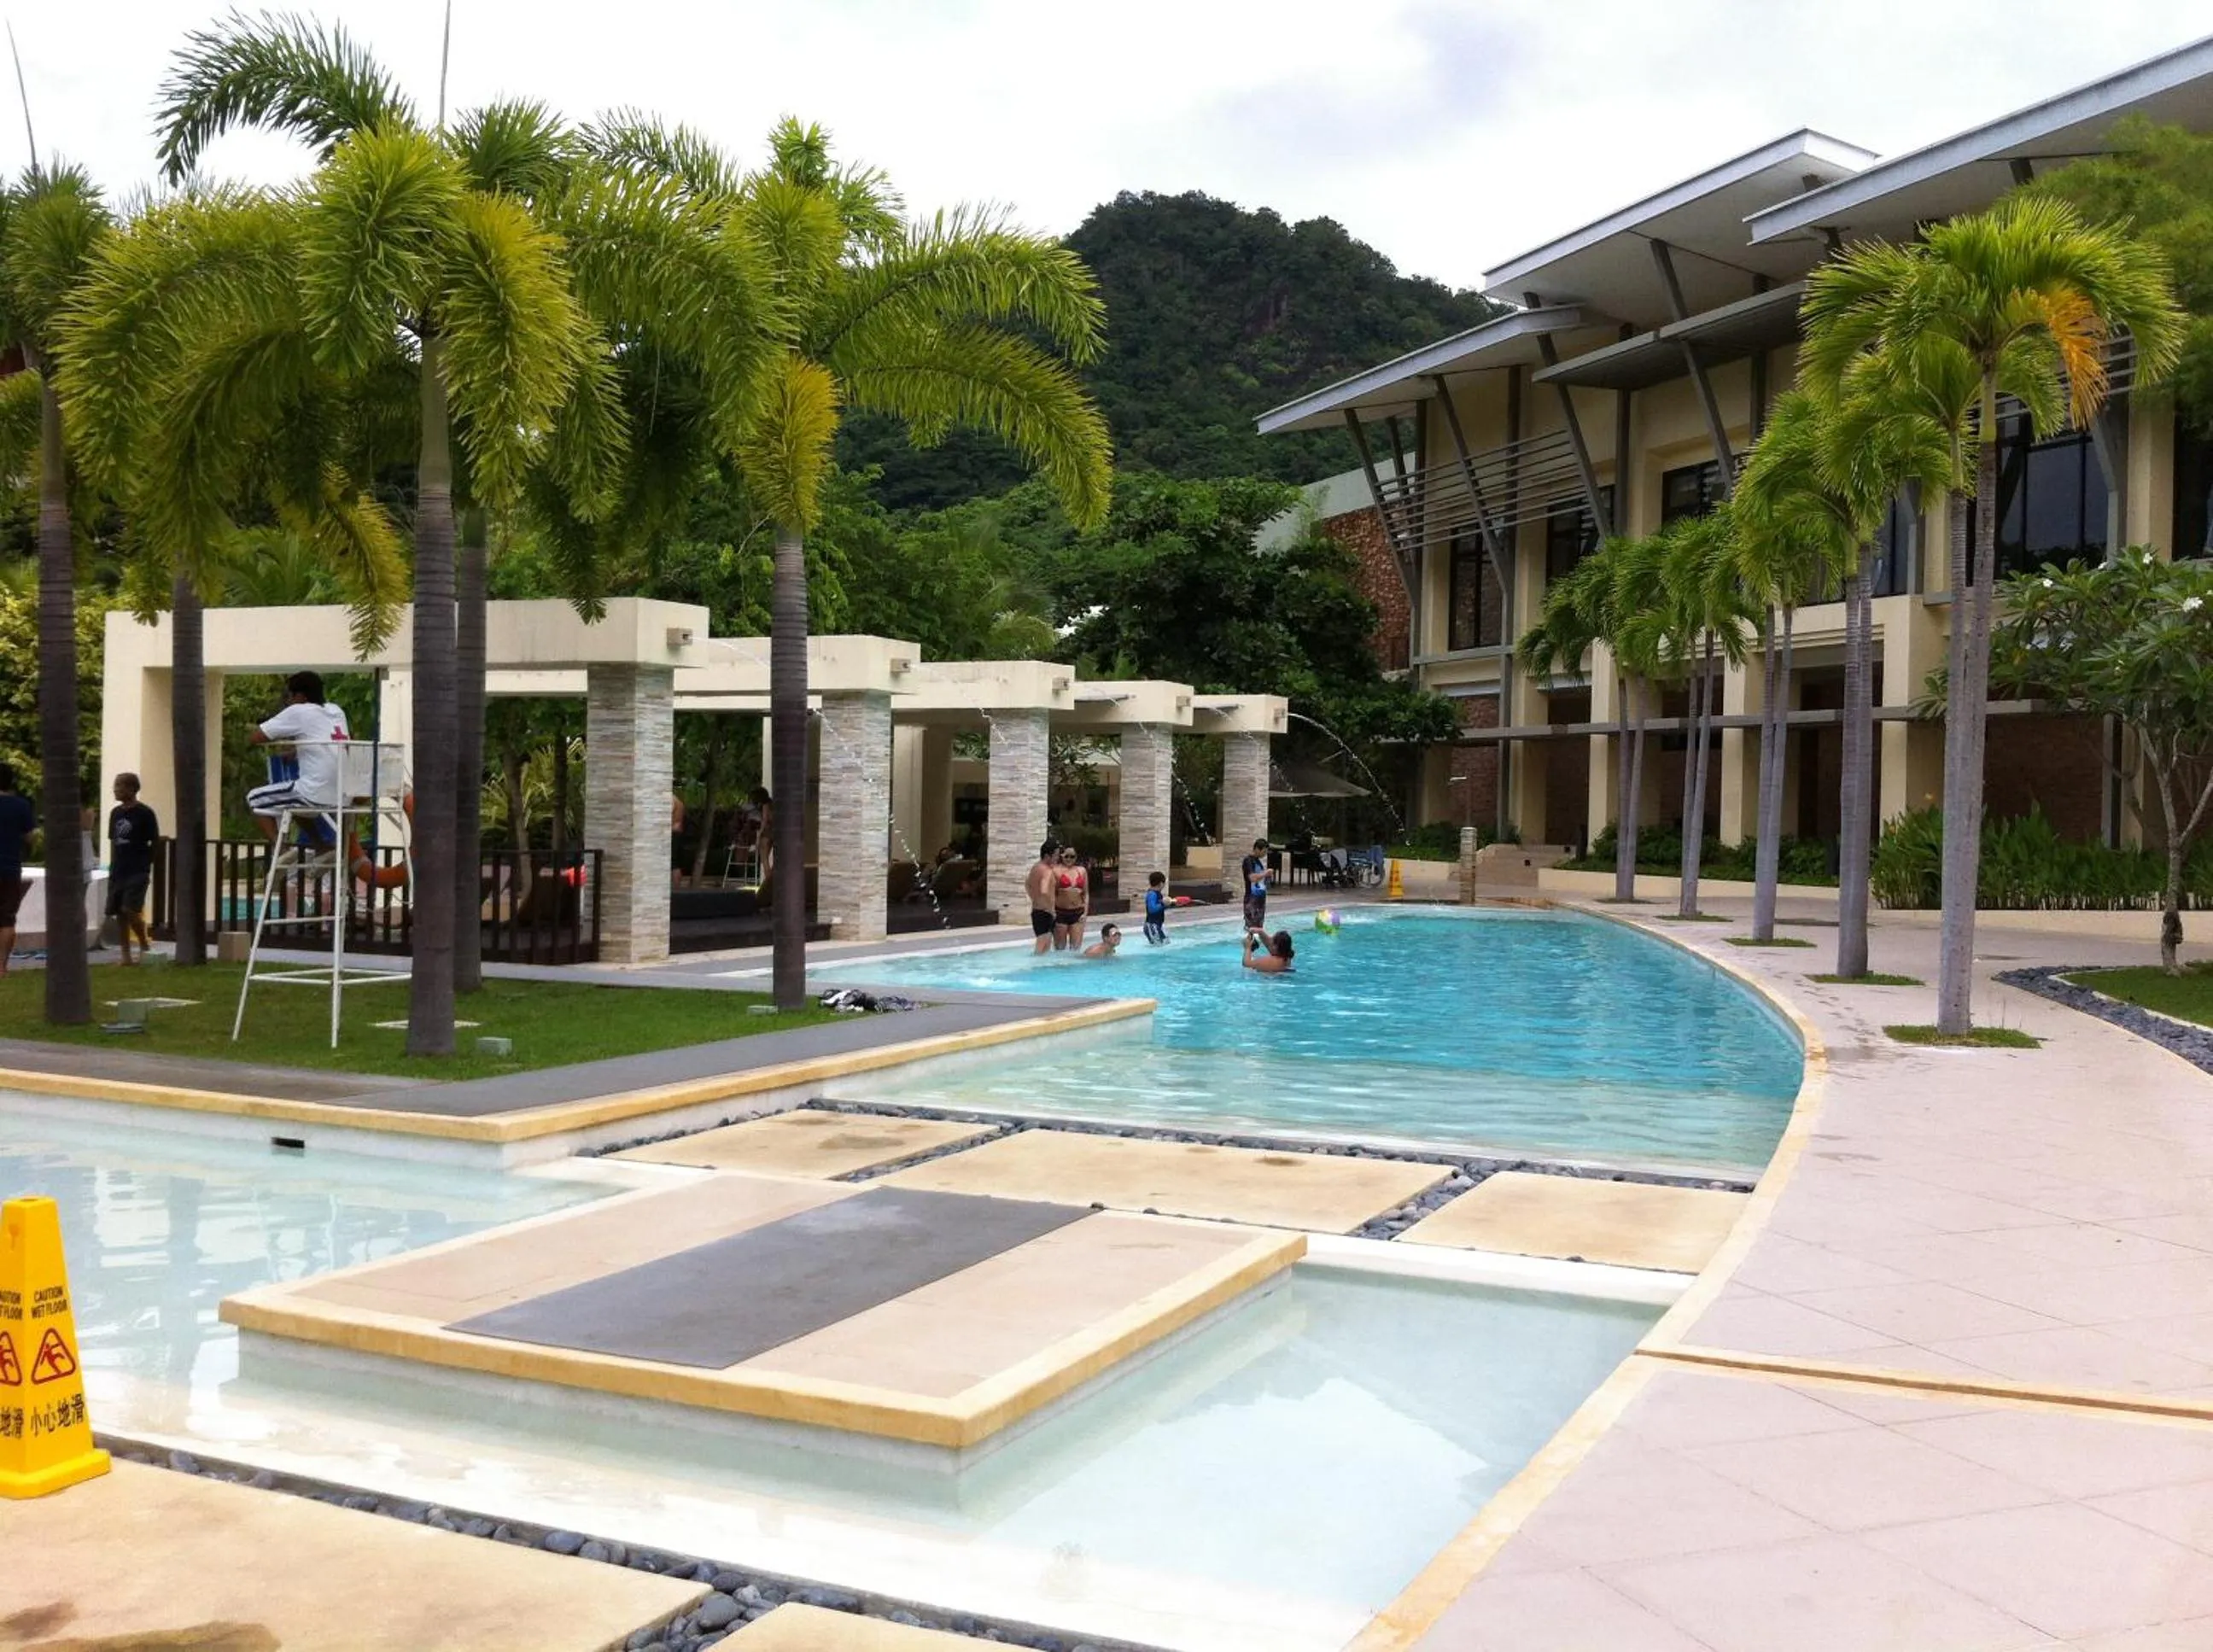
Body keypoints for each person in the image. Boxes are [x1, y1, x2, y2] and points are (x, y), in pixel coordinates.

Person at [245, 671, 351, 844]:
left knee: (254, 798)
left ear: (300, 695)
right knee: (294, 803)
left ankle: (281, 849)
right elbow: (328, 741)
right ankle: (320, 846)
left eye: (289, 696)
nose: (288, 701)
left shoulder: (298, 711)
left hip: (315, 793)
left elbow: (256, 737)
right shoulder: (336, 711)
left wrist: (284, 729)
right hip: (343, 793)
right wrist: (296, 751)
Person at [106, 773, 158, 966]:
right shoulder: (116, 813)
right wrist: (113, 866)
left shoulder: (145, 813)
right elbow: (113, 841)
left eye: (120, 786)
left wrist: (148, 863)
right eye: (115, 785)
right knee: (120, 912)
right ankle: (126, 955)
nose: (116, 789)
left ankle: (144, 946)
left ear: (132, 789)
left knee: (131, 909)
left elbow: (155, 840)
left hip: (138, 869)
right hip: (119, 869)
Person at [0, 762, 32, 977]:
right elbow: (30, 838)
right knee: (7, 918)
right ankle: (2, 966)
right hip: (10, 867)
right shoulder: (20, 806)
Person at [1025, 838, 1060, 954]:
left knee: (1044, 948)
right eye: (1055, 855)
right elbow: (1044, 890)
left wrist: (1035, 899)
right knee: (1041, 949)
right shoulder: (1047, 871)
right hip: (1046, 913)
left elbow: (1027, 885)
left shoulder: (1035, 867)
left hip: (1037, 911)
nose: (1057, 858)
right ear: (1047, 856)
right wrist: (1051, 910)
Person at [1053, 844, 1090, 951]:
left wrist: (1085, 913)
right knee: (1060, 949)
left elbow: (1086, 893)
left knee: (1076, 949)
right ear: (1062, 856)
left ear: (1076, 857)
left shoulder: (1081, 871)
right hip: (1060, 912)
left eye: (1072, 856)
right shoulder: (1056, 871)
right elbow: (1051, 894)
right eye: (1067, 856)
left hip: (1078, 912)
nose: (1069, 859)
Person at [1240, 837, 1272, 933]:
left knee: (1259, 927)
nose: (1265, 854)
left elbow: (1260, 879)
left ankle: (1255, 945)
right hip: (1251, 899)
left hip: (1260, 898)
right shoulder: (1248, 860)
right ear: (1257, 849)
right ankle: (1249, 945)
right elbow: (1252, 878)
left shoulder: (1257, 861)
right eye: (1264, 852)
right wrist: (1266, 873)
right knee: (1251, 926)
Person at [1143, 870, 1170, 945]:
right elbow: (1152, 909)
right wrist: (1163, 903)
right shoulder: (1152, 894)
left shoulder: (1156, 894)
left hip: (1155, 926)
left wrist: (1168, 904)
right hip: (1152, 926)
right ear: (1161, 883)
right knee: (1161, 945)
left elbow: (1159, 908)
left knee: (1165, 943)